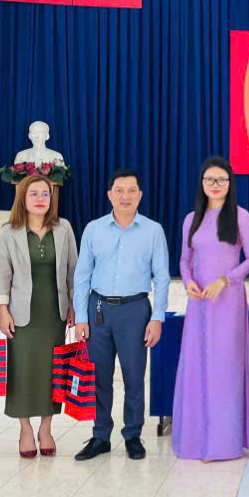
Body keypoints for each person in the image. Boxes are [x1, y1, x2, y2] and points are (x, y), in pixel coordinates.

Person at [72, 169, 171, 461]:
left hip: (135, 311)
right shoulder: (94, 229)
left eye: (131, 191)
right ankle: (100, 436)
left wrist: (158, 317)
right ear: (109, 195)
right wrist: (81, 317)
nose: (125, 196)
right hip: (98, 311)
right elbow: (82, 275)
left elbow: (162, 277)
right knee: (99, 376)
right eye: (119, 190)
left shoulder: (153, 231)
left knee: (134, 376)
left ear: (140, 195)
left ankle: (133, 436)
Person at [175, 157, 249, 461]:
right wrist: (188, 282)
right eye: (209, 179)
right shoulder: (191, 219)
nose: (215, 184)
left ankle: (225, 443)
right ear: (202, 183)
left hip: (228, 301)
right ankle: (197, 440)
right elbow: (185, 260)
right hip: (199, 303)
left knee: (225, 369)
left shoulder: (240, 216)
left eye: (221, 179)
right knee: (198, 367)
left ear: (230, 183)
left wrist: (226, 279)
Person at [0, 175, 79, 458]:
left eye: (45, 193)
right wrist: (2, 310)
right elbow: (2, 274)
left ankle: (46, 428)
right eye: (34, 193)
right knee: (22, 371)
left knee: (51, 373)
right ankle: (25, 430)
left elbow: (73, 269)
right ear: (23, 198)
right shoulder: (9, 232)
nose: (41, 198)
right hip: (21, 315)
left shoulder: (63, 228)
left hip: (54, 313)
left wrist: (74, 305)